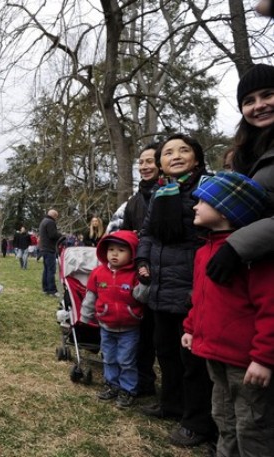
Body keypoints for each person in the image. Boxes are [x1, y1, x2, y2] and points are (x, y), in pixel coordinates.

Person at [181, 171, 274, 457]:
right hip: (214, 355)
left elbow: (269, 308)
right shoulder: (203, 251)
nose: (195, 206)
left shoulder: (254, 256)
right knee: (223, 417)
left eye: (203, 201)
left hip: (246, 363)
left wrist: (264, 358)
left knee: (252, 425)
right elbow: (200, 298)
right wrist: (191, 327)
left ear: (225, 210)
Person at [136, 133, 215, 448]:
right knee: (165, 349)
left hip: (191, 286)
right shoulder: (160, 193)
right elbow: (147, 232)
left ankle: (197, 422)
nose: (176, 155)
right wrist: (142, 258)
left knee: (193, 359)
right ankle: (171, 404)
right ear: (161, 164)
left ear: (196, 158)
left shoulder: (206, 189)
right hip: (159, 285)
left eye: (184, 150)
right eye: (168, 152)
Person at [205, 64, 274, 286]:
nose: (259, 105)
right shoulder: (243, 155)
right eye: (249, 101)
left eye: (268, 95)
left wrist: (237, 246)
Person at [80, 230, 148, 408]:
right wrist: (85, 316)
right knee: (109, 357)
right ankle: (112, 384)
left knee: (126, 360)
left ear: (132, 252)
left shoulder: (134, 275)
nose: (115, 254)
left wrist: (145, 283)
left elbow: (141, 297)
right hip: (106, 325)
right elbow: (91, 296)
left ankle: (128, 389)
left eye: (121, 250)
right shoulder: (97, 273)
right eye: (111, 249)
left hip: (130, 327)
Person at [121, 142, 161, 397]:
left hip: (168, 273)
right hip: (141, 274)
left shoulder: (172, 192)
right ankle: (143, 381)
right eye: (142, 162)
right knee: (143, 332)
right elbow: (123, 236)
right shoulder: (134, 201)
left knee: (165, 337)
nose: (145, 166)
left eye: (150, 161)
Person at [38, 209, 61, 296]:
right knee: (51, 270)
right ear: (54, 216)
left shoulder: (43, 221)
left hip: (44, 248)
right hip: (49, 249)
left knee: (46, 270)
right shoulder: (51, 222)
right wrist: (61, 235)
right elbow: (53, 235)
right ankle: (52, 290)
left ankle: (45, 288)